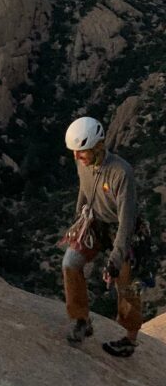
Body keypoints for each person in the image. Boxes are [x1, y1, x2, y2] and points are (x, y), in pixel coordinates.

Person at [61, 116, 143, 357]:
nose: (77, 156)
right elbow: (84, 188)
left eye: (82, 152)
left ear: (97, 147)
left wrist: (115, 260)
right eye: (75, 152)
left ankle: (129, 339)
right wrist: (79, 215)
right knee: (70, 263)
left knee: (126, 284)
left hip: (124, 229)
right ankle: (81, 320)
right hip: (96, 223)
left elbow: (126, 221)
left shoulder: (121, 173)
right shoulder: (82, 162)